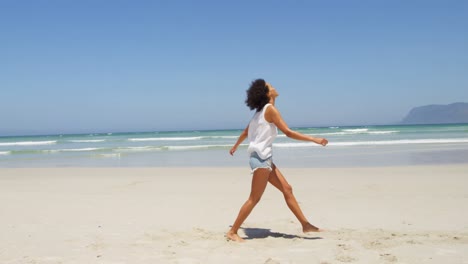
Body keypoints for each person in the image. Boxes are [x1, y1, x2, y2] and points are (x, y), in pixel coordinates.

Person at [226, 79, 328, 242]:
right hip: (261, 160)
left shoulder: (260, 112)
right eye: (270, 86)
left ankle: (306, 225)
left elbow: (246, 131)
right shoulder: (270, 110)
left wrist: (235, 146)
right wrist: (313, 139)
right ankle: (232, 231)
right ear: (267, 93)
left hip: (262, 158)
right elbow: (288, 132)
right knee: (254, 198)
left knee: (287, 189)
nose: (273, 86)